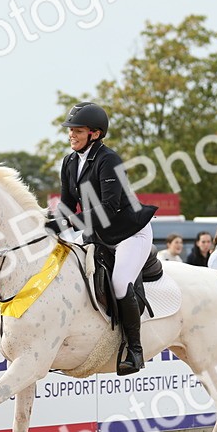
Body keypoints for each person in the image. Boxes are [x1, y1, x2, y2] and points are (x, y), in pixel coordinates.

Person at [51, 101, 157, 375]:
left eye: (77, 130)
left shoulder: (109, 160)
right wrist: (48, 224)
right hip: (97, 234)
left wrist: (67, 222)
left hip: (129, 232)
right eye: (70, 130)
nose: (71, 134)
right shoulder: (69, 161)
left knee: (120, 282)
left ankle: (134, 350)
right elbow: (66, 205)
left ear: (95, 134)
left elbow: (109, 208)